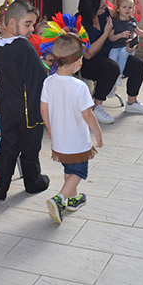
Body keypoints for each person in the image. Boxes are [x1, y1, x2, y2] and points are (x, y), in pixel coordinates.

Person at [0, 0, 51, 200]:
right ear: (13, 23)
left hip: (7, 108)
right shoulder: (23, 46)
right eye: (28, 24)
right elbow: (40, 74)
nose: (32, 29)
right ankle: (33, 182)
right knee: (31, 147)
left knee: (8, 146)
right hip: (27, 109)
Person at [41, 33, 103, 224]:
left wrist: (50, 128)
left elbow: (43, 108)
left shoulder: (48, 82)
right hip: (77, 141)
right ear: (78, 62)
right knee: (78, 171)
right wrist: (98, 134)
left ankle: (73, 199)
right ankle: (59, 199)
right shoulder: (79, 86)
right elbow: (88, 115)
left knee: (69, 167)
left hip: (59, 139)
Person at [77, 0, 143, 125]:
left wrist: (132, 42)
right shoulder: (79, 22)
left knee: (138, 64)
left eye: (105, 4)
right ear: (92, 8)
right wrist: (106, 33)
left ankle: (132, 103)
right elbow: (88, 54)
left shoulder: (107, 12)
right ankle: (97, 106)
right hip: (91, 64)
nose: (106, 8)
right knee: (111, 67)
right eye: (102, 6)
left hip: (113, 56)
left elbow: (129, 23)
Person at [107, 0, 143, 83]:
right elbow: (111, 37)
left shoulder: (132, 20)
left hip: (127, 47)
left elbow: (138, 31)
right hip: (115, 47)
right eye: (124, 7)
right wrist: (121, 35)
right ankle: (111, 79)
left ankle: (119, 75)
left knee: (123, 53)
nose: (127, 9)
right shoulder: (115, 21)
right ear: (118, 8)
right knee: (112, 59)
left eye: (130, 7)